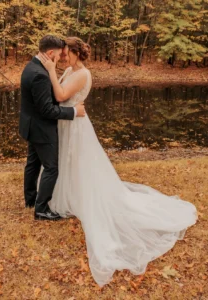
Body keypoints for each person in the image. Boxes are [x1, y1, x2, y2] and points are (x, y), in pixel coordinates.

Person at [38, 36, 197, 287]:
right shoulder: (69, 69)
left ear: (77, 53)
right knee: (67, 163)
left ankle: (84, 197)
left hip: (76, 126)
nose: (63, 57)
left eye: (67, 53)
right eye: (63, 53)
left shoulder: (82, 74)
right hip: (67, 123)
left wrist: (48, 70)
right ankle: (67, 194)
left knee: (80, 164)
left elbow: (59, 97)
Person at [19, 35, 85, 221]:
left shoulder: (31, 65)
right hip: (41, 128)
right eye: (57, 55)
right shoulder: (40, 75)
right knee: (51, 168)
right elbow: (47, 110)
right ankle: (41, 210)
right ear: (50, 53)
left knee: (33, 164)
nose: (60, 58)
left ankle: (30, 200)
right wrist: (73, 112)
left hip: (31, 125)